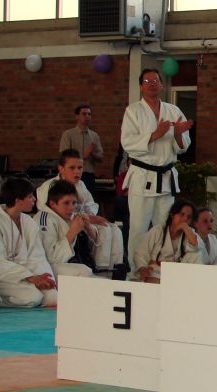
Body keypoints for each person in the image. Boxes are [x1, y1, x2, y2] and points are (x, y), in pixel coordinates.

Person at [121, 69, 193, 267]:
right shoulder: (133, 111)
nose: (152, 84)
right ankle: (136, 270)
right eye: (147, 81)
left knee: (166, 227)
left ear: (161, 85)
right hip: (142, 176)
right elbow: (127, 143)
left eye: (155, 81)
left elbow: (183, 147)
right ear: (140, 86)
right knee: (138, 227)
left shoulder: (173, 111)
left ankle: (162, 267)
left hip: (166, 177)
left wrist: (177, 134)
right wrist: (156, 134)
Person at [36, 149, 125, 278]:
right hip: (62, 228)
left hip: (78, 221)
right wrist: (82, 220)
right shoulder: (49, 187)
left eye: (80, 168)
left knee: (113, 229)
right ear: (61, 168)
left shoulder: (81, 185)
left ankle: (110, 270)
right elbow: (50, 210)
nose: (77, 171)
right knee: (104, 232)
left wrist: (87, 218)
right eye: (72, 168)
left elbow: (90, 205)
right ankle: (101, 270)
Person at [0, 177, 57, 308]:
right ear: (18, 201)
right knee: (33, 298)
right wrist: (30, 278)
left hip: (27, 274)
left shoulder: (28, 222)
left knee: (52, 297)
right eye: (30, 196)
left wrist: (43, 277)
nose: (34, 199)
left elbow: (37, 256)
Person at [132, 199, 207, 283]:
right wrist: (142, 269)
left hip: (176, 274)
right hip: (154, 271)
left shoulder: (189, 232)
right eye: (182, 214)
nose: (185, 218)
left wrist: (184, 227)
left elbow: (196, 246)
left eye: (189, 217)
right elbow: (141, 253)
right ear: (172, 215)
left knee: (196, 254)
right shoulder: (158, 230)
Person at [35, 180, 97, 279]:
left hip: (72, 264)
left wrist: (89, 229)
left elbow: (87, 250)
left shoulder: (70, 217)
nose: (71, 208)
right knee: (84, 271)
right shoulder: (44, 218)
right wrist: (72, 232)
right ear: (52, 203)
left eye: (74, 203)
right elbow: (52, 258)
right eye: (66, 203)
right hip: (48, 268)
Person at [60, 104, 104, 195]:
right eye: (84, 114)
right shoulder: (68, 134)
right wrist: (84, 155)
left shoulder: (94, 135)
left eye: (89, 114)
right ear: (77, 116)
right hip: (72, 173)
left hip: (89, 174)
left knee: (88, 200)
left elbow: (101, 158)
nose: (87, 116)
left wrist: (92, 153)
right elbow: (64, 156)